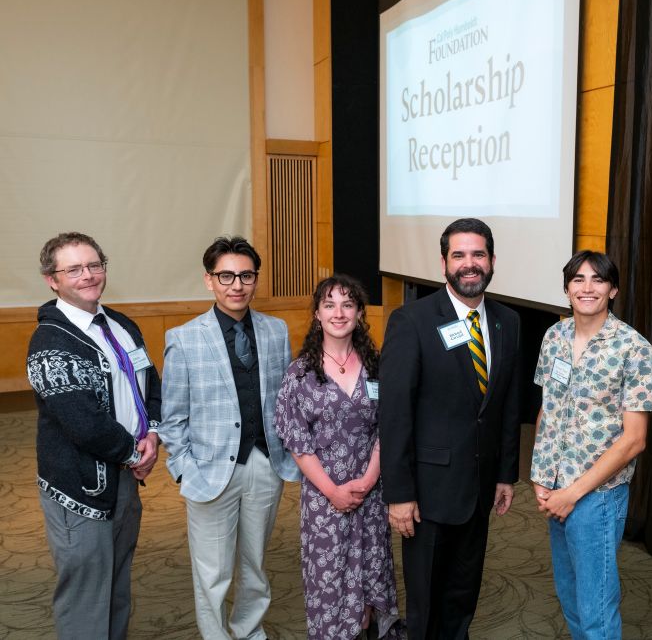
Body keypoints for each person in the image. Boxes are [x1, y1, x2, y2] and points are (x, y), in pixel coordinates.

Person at [379, 217, 521, 639]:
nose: (469, 264)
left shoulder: (507, 321)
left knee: (462, 597)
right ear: (443, 263)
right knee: (425, 603)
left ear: (492, 260)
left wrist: (505, 474)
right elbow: (395, 413)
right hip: (427, 492)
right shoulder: (413, 320)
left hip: (478, 489)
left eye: (478, 254)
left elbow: (507, 405)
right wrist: (399, 494)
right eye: (459, 255)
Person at [158, 236, 300, 640]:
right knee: (213, 571)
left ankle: (249, 630)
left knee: (254, 563)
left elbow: (284, 398)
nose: (236, 285)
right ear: (209, 280)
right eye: (226, 276)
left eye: (246, 275)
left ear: (255, 280)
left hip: (264, 463)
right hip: (208, 469)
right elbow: (172, 416)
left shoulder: (276, 331)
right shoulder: (184, 338)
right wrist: (184, 469)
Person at [26, 231, 161, 639]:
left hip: (125, 477)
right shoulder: (49, 341)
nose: (87, 276)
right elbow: (81, 421)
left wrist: (152, 435)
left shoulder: (121, 324)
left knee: (118, 586)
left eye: (94, 265)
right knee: (86, 595)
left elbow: (149, 385)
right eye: (74, 269)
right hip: (79, 486)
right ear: (53, 280)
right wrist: (134, 454)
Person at [531, 251, 652, 639]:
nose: (587, 287)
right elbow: (547, 409)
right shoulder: (554, 336)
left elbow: (634, 440)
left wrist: (573, 493)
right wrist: (541, 475)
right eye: (578, 279)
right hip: (555, 492)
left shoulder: (633, 349)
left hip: (595, 498)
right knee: (569, 597)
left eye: (598, 279)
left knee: (596, 610)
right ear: (567, 289)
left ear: (613, 289)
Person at [274, 275, 404, 639]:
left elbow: (388, 426)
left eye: (348, 304)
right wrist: (332, 490)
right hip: (323, 500)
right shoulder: (300, 374)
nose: (339, 312)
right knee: (330, 586)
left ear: (360, 312)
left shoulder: (378, 367)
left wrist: (367, 480)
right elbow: (297, 441)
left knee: (370, 585)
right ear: (317, 313)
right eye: (329, 304)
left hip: (371, 494)